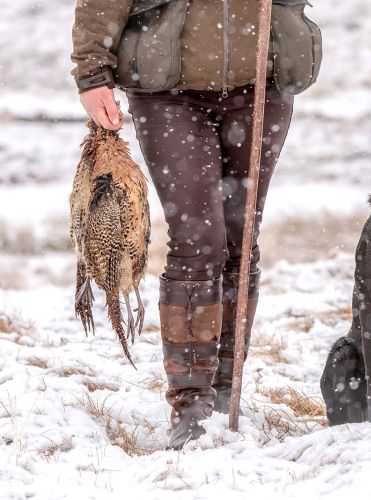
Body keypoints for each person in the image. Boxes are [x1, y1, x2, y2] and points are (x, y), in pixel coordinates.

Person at [71, 0, 317, 450]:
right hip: (168, 92)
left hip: (260, 82)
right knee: (198, 241)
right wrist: (92, 73)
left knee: (241, 240)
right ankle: (191, 402)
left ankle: (224, 390)